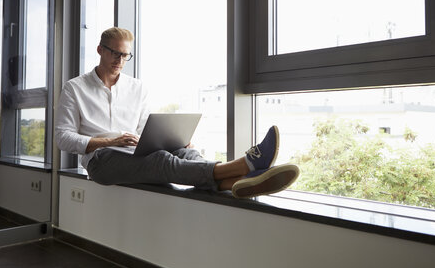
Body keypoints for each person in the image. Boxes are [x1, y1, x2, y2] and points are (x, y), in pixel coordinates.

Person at [55, 27, 299, 198]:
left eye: (126, 55)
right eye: (115, 53)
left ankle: (236, 182)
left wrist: (173, 139)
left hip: (132, 152)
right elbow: (62, 137)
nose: (120, 59)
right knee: (161, 160)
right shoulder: (75, 88)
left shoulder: (137, 87)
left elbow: (143, 130)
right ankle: (245, 165)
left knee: (185, 152)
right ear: (100, 50)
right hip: (101, 161)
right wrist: (108, 141)